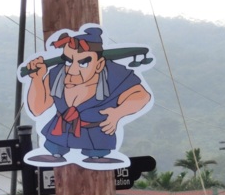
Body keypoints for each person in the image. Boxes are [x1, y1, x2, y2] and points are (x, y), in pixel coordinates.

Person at [23, 25, 152, 165]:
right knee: (55, 145)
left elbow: (141, 95)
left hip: (96, 131)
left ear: (99, 65)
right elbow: (38, 109)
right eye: (68, 61)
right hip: (60, 131)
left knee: (97, 151)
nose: (72, 70)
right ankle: (55, 153)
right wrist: (36, 79)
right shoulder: (57, 74)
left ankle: (97, 156)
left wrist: (118, 113)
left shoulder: (114, 75)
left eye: (83, 63)